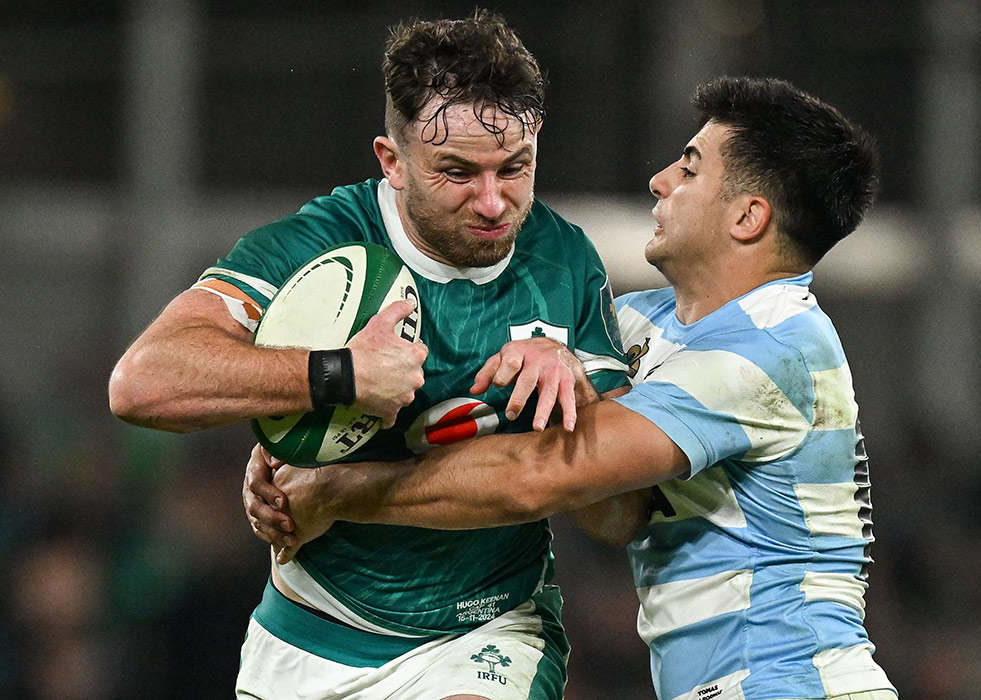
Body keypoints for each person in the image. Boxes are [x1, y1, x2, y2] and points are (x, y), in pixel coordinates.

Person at [247, 76, 898, 700]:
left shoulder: (772, 349)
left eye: (691, 168)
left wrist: (336, 490)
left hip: (794, 683)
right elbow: (613, 511)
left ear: (749, 217)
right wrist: (303, 444)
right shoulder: (645, 323)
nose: (660, 180)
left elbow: (537, 479)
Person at [109, 10, 631, 699]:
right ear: (392, 161)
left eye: (515, 168)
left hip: (483, 634)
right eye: (457, 171)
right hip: (309, 632)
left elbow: (622, 514)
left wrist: (580, 397)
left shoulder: (563, 260)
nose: (493, 200)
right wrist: (340, 374)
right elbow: (142, 384)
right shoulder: (321, 243)